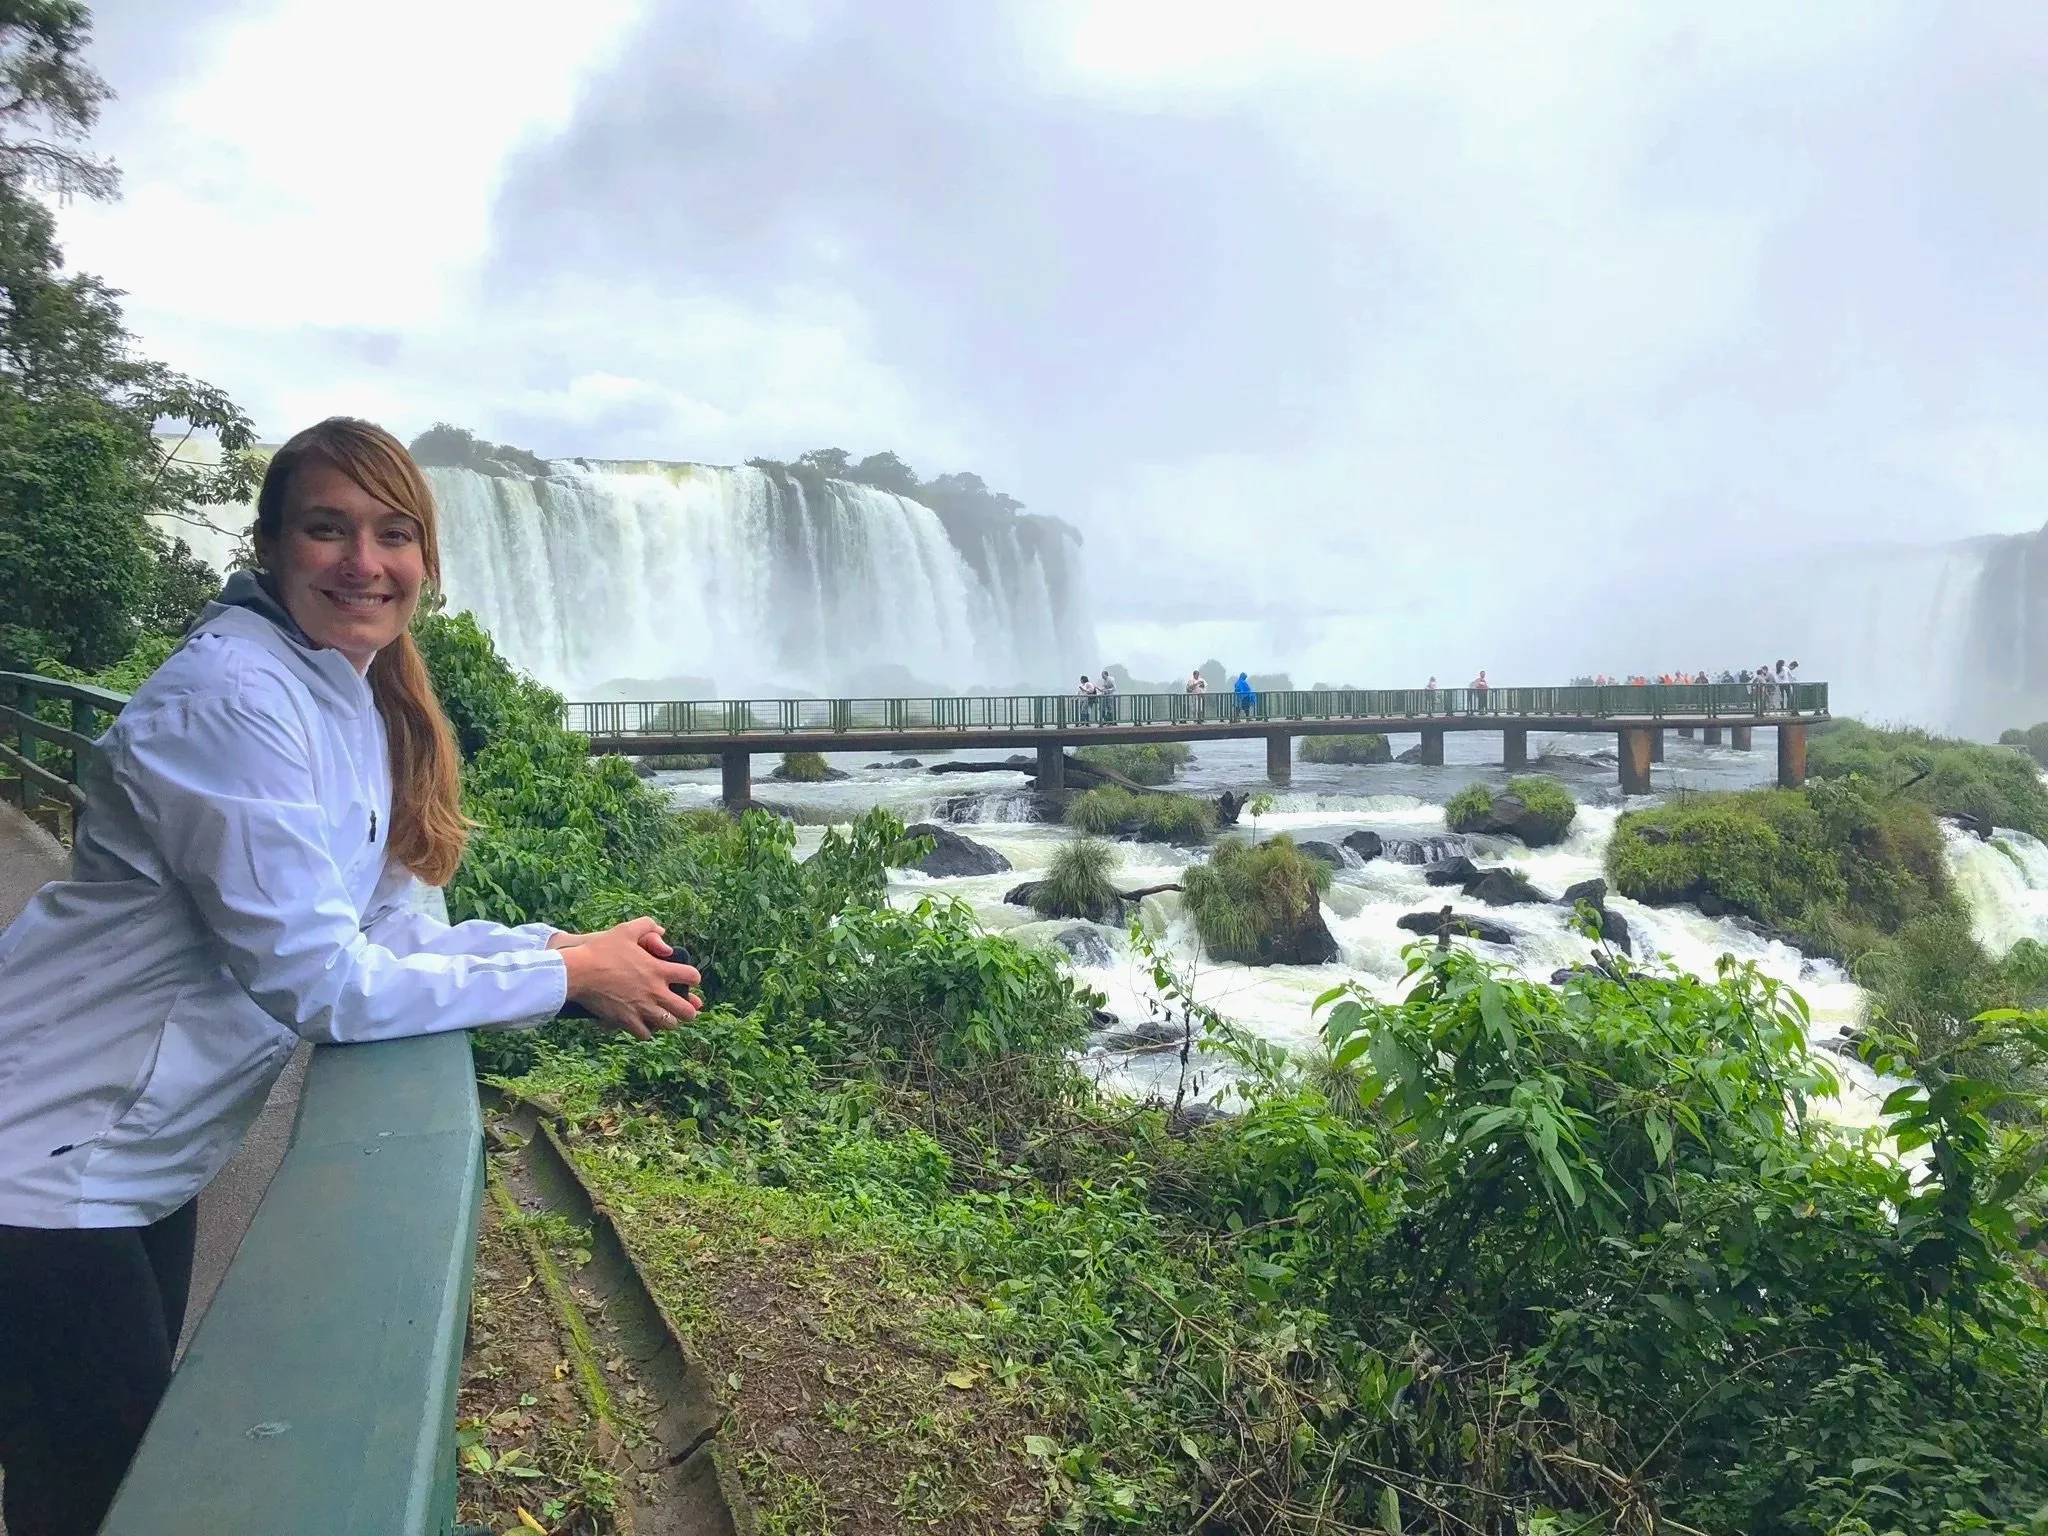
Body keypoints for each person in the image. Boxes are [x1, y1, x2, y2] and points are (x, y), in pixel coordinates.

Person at [0, 418, 703, 1536]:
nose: (361, 561)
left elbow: (392, 937)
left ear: (424, 559)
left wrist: (561, 951)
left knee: (88, 1485)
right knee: (101, 1495)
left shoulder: (346, 693)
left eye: (391, 533)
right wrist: (565, 982)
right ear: (273, 545)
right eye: (326, 529)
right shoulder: (232, 703)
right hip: (39, 1159)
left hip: (133, 1156)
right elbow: (326, 985)